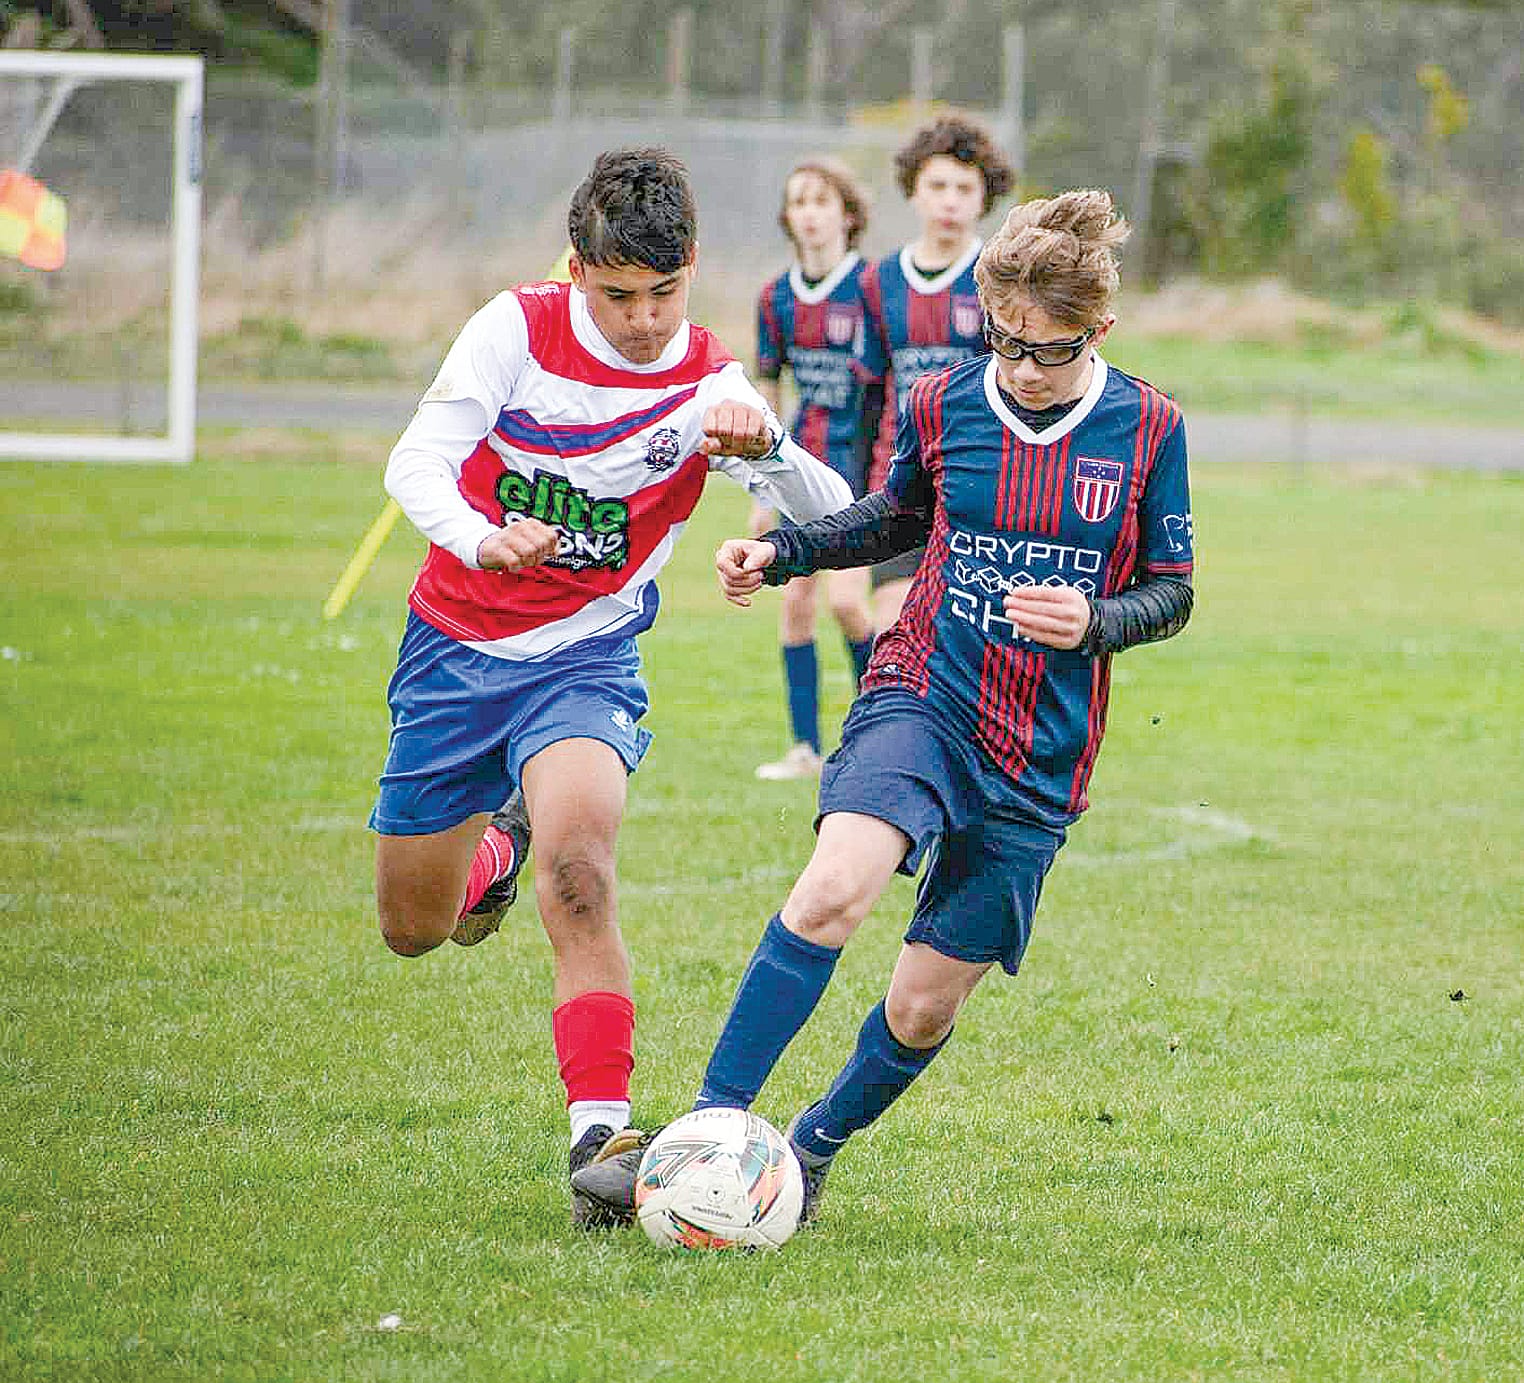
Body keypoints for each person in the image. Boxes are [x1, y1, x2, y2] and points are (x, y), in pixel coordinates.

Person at [570, 188, 1195, 1228]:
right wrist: (780, 551)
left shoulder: (1150, 427)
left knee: (922, 1002)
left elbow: (1174, 590)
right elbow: (889, 516)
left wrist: (1093, 619)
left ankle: (809, 1150)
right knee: (832, 889)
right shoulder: (947, 401)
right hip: (924, 689)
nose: (1024, 369)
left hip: (1040, 749)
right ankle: (700, 1138)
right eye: (1006, 343)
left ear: (1100, 332)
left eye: (1050, 351)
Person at [370, 148, 854, 1225]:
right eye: (620, 294)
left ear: (694, 269)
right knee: (416, 925)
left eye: (666, 293)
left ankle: (603, 1131)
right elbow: (418, 460)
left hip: (587, 660)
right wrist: (482, 537)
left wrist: (769, 446)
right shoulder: (515, 329)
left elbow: (838, 512)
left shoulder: (709, 383)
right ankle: (492, 850)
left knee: (582, 865)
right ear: (579, 268)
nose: (644, 319)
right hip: (456, 649)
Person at [861, 113, 1015, 635]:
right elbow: (868, 394)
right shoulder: (879, 281)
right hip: (902, 481)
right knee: (890, 626)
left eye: (964, 188)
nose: (950, 199)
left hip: (981, 486)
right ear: (914, 192)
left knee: (965, 639)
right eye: (938, 185)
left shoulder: (1001, 277)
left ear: (984, 197)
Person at [750, 157, 878, 782]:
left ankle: (880, 731)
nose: (809, 212)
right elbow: (767, 393)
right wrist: (761, 488)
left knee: (850, 606)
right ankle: (806, 747)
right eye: (798, 200)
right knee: (795, 604)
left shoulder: (874, 289)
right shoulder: (774, 298)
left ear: (847, 215)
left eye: (821, 200)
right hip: (801, 467)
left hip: (861, 470)